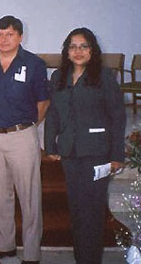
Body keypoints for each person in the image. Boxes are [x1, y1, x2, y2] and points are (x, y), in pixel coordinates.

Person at [45, 28, 125, 264]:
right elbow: (53, 115)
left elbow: (117, 116)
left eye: (83, 46)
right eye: (73, 46)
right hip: (70, 152)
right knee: (77, 211)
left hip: (97, 153)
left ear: (92, 50)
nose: (78, 51)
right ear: (66, 51)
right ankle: (82, 259)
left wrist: (117, 154)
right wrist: (50, 145)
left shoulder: (105, 76)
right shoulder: (58, 76)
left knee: (93, 212)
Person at [0, 15, 49, 264]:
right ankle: (3, 245)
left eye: (9, 34)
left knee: (29, 197)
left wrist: (27, 128)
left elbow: (43, 101)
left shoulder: (34, 64)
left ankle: (31, 253)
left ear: (20, 36)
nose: (3, 39)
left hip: (22, 137)